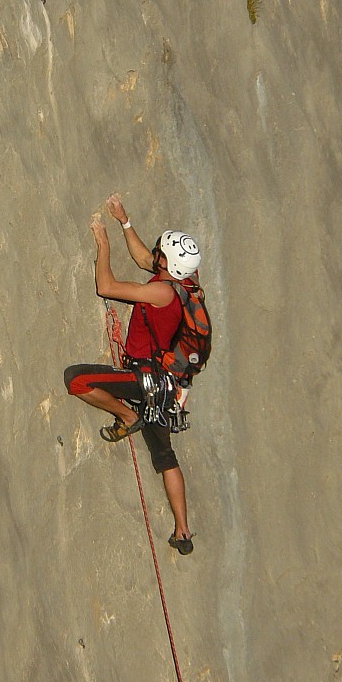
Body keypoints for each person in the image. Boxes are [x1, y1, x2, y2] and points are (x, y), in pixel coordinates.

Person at [64, 194, 203, 556]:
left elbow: (106, 287)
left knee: (77, 381)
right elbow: (145, 259)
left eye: (160, 251)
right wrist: (125, 222)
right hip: (166, 387)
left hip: (143, 382)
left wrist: (103, 244)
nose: (153, 253)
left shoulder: (160, 292)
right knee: (165, 456)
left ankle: (127, 416)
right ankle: (183, 531)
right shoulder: (185, 283)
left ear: (168, 262)